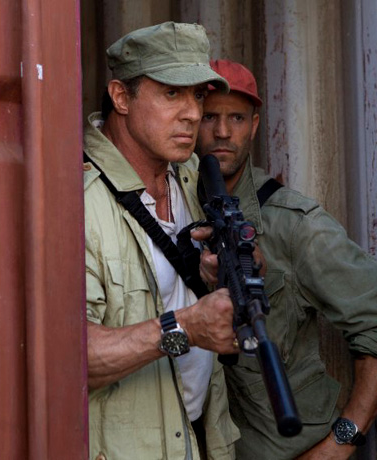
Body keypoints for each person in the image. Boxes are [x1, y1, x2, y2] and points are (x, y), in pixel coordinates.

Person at [196, 59, 377, 460]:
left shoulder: (293, 222)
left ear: (255, 126)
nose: (223, 132)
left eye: (237, 118)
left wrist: (339, 445)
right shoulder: (169, 210)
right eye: (209, 116)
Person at [84, 24, 241, 459]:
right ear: (121, 97)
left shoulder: (193, 178)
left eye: (198, 95)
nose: (193, 113)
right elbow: (71, 358)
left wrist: (221, 274)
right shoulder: (78, 200)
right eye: (172, 93)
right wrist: (185, 327)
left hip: (199, 439)